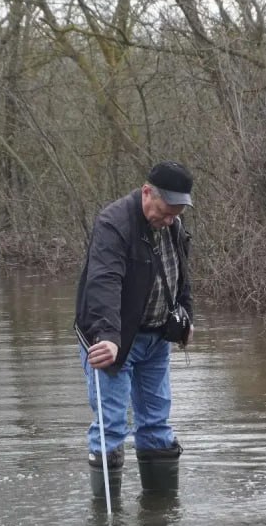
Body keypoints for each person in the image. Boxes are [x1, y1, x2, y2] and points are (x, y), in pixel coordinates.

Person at [75, 161, 194, 498]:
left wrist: (186, 315)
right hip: (112, 341)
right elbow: (103, 283)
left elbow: (181, 275)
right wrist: (109, 338)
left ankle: (159, 517)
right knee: (110, 427)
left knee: (158, 427)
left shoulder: (173, 225)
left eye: (176, 212)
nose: (169, 218)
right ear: (146, 193)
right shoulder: (113, 224)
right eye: (165, 210)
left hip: (156, 339)